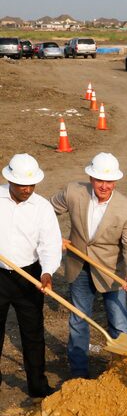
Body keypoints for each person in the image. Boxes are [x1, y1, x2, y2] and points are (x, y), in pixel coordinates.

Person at [51, 153, 127, 378]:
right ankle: (79, 374)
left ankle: (123, 370)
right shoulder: (74, 192)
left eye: (109, 181)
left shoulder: (126, 209)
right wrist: (54, 236)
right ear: (91, 178)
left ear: (116, 181)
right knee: (78, 321)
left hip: (112, 273)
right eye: (99, 180)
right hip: (78, 266)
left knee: (119, 322)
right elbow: (45, 212)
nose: (104, 186)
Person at [0, 154, 61, 398]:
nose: (26, 189)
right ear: (9, 180)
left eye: (31, 184)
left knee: (33, 333)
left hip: (30, 275)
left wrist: (47, 272)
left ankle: (38, 386)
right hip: (0, 275)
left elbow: (50, 244)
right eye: (21, 184)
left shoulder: (43, 207)